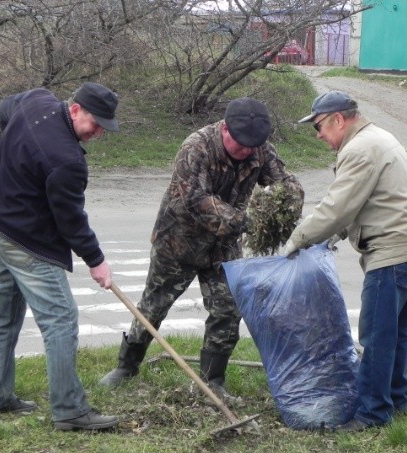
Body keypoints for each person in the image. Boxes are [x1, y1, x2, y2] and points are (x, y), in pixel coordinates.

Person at [99, 97, 304, 400]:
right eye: (239, 144)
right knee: (154, 305)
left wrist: (286, 208)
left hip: (222, 247)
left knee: (227, 309)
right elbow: (196, 200)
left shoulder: (260, 150)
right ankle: (126, 365)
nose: (246, 151)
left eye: (252, 146)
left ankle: (212, 381)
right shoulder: (197, 147)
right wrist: (246, 220)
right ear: (224, 128)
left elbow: (287, 184)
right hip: (178, 241)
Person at [284, 91, 407, 431]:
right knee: (397, 332)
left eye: (319, 126)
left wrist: (297, 240)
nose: (319, 135)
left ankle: (372, 412)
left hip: (393, 252)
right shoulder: (377, 137)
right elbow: (364, 201)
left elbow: (336, 208)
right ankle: (396, 398)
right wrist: (335, 235)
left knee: (376, 335)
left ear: (339, 119)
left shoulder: (359, 149)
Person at [0, 83, 121, 431]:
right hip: (24, 242)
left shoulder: (35, 100)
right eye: (94, 123)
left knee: (2, 316)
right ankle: (70, 410)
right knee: (61, 320)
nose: (98, 132)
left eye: (104, 126)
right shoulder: (67, 162)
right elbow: (71, 221)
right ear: (75, 110)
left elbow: (3, 107)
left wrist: (16, 160)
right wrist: (97, 261)